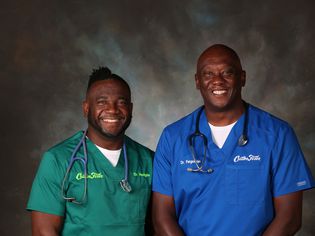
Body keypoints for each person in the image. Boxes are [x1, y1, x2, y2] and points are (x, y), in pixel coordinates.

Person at [152, 44, 315, 236]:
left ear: (242, 77)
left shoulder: (278, 134)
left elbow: (289, 218)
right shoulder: (173, 137)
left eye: (227, 73)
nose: (217, 81)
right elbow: (162, 217)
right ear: (197, 81)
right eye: (208, 74)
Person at [27, 67, 154, 236]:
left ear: (130, 108)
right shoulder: (58, 160)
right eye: (102, 102)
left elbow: (159, 223)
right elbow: (44, 231)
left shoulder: (149, 160)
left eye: (121, 102)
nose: (113, 109)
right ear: (86, 108)